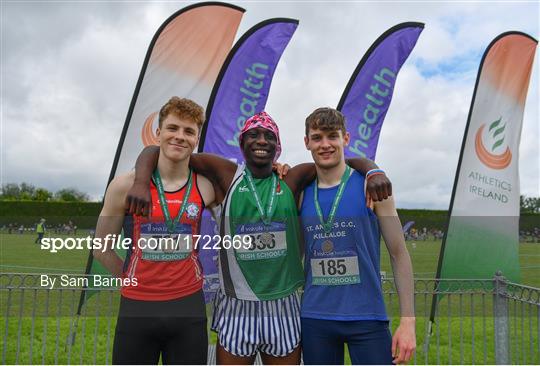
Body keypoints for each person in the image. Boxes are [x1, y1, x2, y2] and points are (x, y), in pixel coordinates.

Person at [126, 111, 393, 365]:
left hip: (283, 306)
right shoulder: (227, 174)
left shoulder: (293, 178)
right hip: (236, 306)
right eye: (253, 135)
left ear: (277, 147)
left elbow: (338, 160)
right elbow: (157, 151)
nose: (261, 140)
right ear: (242, 143)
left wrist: (372, 169)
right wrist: (140, 181)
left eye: (269, 136)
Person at [93, 97, 218, 364]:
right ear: (158, 132)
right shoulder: (124, 186)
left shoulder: (206, 187)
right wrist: (130, 280)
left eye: (189, 131)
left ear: (196, 138)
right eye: (172, 128)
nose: (179, 137)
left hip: (188, 307)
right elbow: (101, 248)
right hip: (137, 308)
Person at [299, 107, 416, 365]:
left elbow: (399, 253)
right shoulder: (300, 191)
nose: (325, 144)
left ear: (346, 139)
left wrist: (408, 322)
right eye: (317, 137)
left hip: (367, 317)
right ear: (306, 142)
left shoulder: (372, 187)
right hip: (316, 318)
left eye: (333, 136)